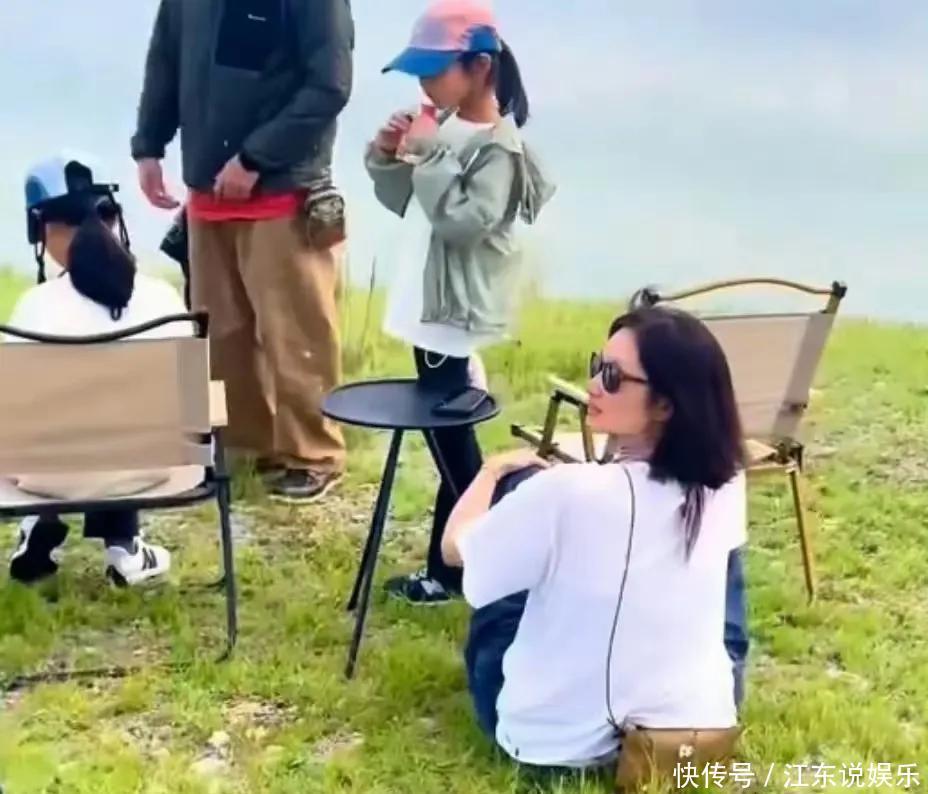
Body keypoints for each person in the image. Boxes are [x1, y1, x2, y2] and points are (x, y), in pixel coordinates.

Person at [442, 307, 748, 769]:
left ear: (664, 405)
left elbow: (455, 550)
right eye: (596, 366)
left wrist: (492, 471)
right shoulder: (726, 480)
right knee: (718, 560)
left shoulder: (564, 490)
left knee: (514, 539)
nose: (593, 385)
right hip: (693, 729)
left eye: (613, 377)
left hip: (553, 745)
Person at [365, 0, 555, 604]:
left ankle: (467, 566)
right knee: (451, 441)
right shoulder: (445, 128)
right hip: (430, 311)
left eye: (435, 69)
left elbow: (465, 224)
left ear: (479, 67)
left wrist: (429, 154)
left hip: (451, 319)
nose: (425, 84)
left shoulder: (499, 148)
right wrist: (388, 153)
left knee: (455, 453)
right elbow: (408, 199)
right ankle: (459, 565)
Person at [131, 0, 355, 502]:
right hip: (207, 192)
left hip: (283, 190)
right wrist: (148, 145)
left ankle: (313, 454)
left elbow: (329, 85)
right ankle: (242, 449)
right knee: (220, 334)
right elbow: (165, 58)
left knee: (296, 335)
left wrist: (255, 158)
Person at [8, 153, 189, 586]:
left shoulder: (35, 307)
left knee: (48, 425)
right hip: (151, 467)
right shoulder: (162, 298)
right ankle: (125, 549)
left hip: (48, 474)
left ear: (43, 230)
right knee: (127, 422)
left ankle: (39, 524)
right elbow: (194, 402)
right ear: (113, 220)